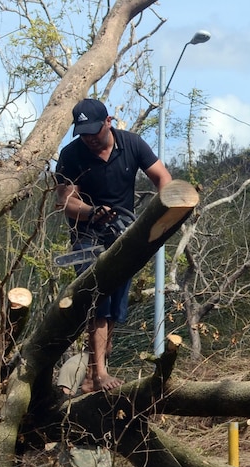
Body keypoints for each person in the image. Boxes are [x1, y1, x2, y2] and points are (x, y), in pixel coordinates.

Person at [55, 98, 172, 392]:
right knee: (98, 302)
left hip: (123, 235)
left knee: (116, 308)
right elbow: (66, 202)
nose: (90, 138)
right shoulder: (71, 155)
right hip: (87, 237)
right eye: (84, 133)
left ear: (108, 122)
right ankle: (98, 374)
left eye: (94, 130)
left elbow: (163, 178)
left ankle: (93, 374)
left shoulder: (132, 144)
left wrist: (160, 214)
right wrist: (92, 212)